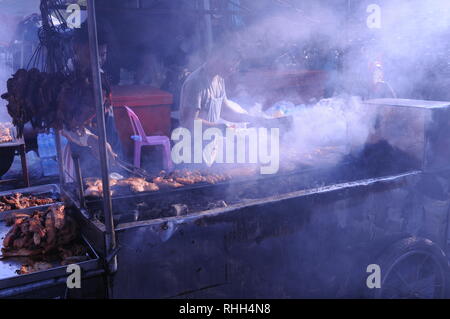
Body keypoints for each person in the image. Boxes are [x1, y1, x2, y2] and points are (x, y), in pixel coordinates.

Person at [62, 26, 123, 177]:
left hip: (109, 143)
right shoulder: (65, 80)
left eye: (103, 55)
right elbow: (64, 125)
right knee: (86, 193)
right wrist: (91, 140)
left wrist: (111, 144)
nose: (98, 61)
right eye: (92, 55)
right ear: (76, 48)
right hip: (78, 155)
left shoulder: (99, 74)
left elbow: (108, 115)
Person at [179, 42, 268, 131]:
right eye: (232, 65)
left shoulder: (219, 79)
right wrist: (220, 128)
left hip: (210, 141)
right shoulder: (195, 82)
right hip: (192, 142)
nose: (233, 70)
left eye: (235, 67)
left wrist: (251, 119)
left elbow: (224, 111)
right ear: (218, 59)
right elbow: (189, 121)